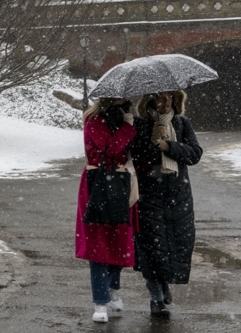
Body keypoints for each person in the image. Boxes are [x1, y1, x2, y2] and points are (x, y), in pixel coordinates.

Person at [129, 91, 203, 319]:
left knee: (177, 242)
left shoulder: (182, 123)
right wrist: (152, 144)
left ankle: (164, 281)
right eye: (159, 98)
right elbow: (135, 156)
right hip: (149, 194)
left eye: (169, 98)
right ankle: (156, 299)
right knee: (151, 247)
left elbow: (195, 154)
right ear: (150, 101)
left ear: (175, 99)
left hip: (178, 195)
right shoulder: (141, 124)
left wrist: (170, 147)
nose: (164, 102)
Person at [75, 97, 138, 323]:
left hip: (120, 183)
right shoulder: (94, 121)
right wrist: (127, 127)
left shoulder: (123, 120)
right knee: (99, 244)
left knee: (119, 241)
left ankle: (112, 290)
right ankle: (100, 301)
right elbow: (111, 148)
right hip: (98, 184)